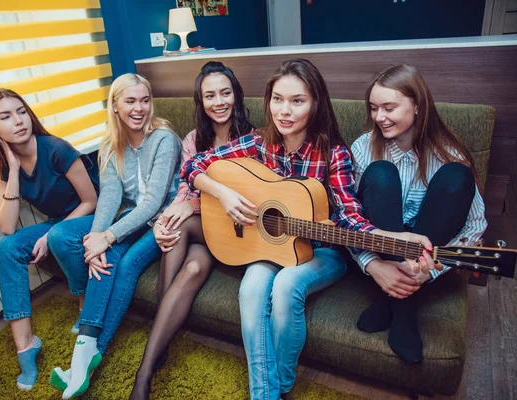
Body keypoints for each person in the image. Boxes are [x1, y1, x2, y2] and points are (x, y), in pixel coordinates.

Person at [180, 59, 437, 400]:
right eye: (277, 99)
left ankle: (281, 386)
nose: (284, 111)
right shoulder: (258, 144)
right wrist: (222, 193)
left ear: (315, 103)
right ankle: (265, 395)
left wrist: (392, 239)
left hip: (324, 251)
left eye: (297, 101)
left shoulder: (335, 154)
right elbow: (193, 165)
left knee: (286, 286)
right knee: (251, 289)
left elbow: (348, 217)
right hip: (270, 246)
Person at [46, 73, 181, 399]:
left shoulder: (164, 139)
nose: (139, 108)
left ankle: (92, 352)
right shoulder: (110, 143)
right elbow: (109, 197)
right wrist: (95, 241)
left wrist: (108, 236)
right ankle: (83, 358)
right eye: (130, 101)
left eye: (144, 100)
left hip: (161, 219)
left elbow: (151, 203)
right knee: (104, 258)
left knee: (128, 262)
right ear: (115, 106)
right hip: (127, 218)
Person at [129, 61, 254, 399]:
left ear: (236, 95)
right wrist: (172, 213)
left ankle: (152, 347)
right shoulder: (192, 140)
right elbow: (185, 188)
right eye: (210, 95)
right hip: (202, 230)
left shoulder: (253, 140)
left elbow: (245, 196)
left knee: (182, 225)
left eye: (225, 93)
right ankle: (145, 374)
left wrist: (188, 208)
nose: (219, 102)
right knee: (193, 265)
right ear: (200, 101)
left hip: (235, 232)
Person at [351, 64, 487, 364]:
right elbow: (347, 216)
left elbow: (475, 225)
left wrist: (426, 272)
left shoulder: (448, 152)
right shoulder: (364, 146)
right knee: (381, 172)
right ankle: (402, 307)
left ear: (417, 106)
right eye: (374, 108)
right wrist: (372, 264)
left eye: (389, 107)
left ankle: (399, 304)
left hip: (424, 261)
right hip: (379, 250)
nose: (379, 118)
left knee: (457, 176)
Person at [0, 89, 98, 390]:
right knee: (6, 248)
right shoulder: (3, 166)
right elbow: (6, 226)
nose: (18, 121)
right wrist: (15, 171)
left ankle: (86, 307)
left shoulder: (57, 149)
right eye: (5, 117)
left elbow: (91, 201)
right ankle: (26, 345)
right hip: (59, 222)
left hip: (89, 216)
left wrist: (49, 235)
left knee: (58, 233)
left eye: (21, 111)